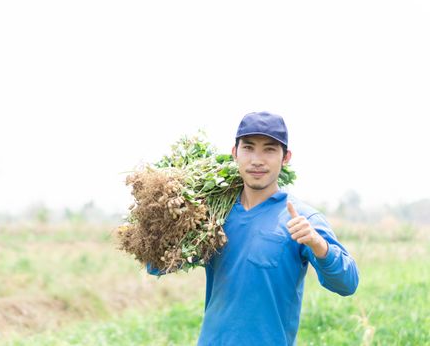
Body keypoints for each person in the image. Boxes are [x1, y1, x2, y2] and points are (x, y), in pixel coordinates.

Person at [148, 111, 359, 345]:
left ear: (285, 157)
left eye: (269, 149)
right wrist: (158, 223)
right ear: (234, 153)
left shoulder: (302, 218)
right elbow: (156, 267)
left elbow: (348, 283)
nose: (257, 160)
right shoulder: (214, 215)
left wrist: (319, 245)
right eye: (248, 148)